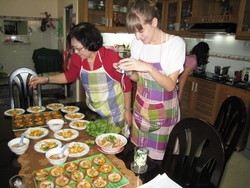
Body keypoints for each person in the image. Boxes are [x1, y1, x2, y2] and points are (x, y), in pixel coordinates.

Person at [114, 0, 186, 160]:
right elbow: (138, 79)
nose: (138, 37)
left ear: (154, 22)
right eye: (134, 33)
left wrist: (148, 67)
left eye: (141, 31)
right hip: (141, 110)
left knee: (159, 163)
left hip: (163, 116)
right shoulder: (137, 43)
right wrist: (128, 71)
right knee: (139, 158)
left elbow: (169, 85)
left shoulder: (175, 44)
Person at [29, 22, 133, 127]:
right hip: (93, 111)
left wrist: (128, 110)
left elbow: (126, 85)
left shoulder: (111, 58)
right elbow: (69, 76)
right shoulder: (77, 58)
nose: (76, 52)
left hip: (115, 113)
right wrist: (46, 79)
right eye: (74, 48)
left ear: (90, 43)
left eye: (78, 48)